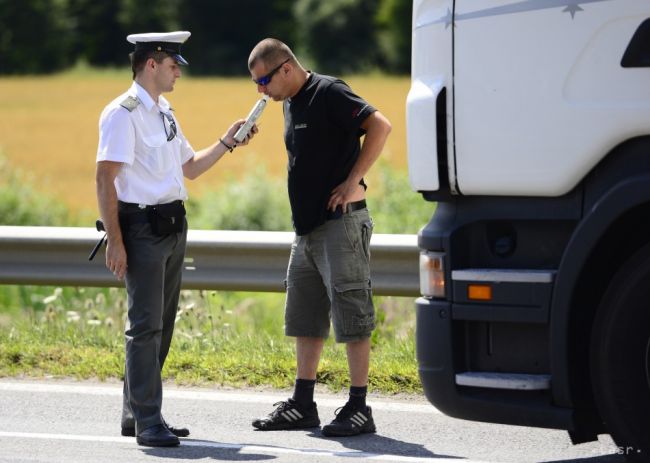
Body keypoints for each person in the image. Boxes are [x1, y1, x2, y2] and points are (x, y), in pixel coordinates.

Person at [95, 31, 256, 447]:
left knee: (160, 327)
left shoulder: (165, 111)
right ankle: (149, 421)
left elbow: (191, 167)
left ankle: (138, 413)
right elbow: (105, 178)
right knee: (145, 327)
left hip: (172, 226)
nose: (177, 74)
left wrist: (227, 141)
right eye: (172, 66)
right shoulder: (122, 113)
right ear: (152, 63)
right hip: (143, 229)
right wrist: (115, 240)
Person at [247, 38, 392, 437]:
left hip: (341, 224)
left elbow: (380, 125)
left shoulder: (328, 91)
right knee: (305, 318)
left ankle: (360, 407)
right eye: (257, 84)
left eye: (263, 80)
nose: (261, 90)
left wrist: (350, 182)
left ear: (286, 69)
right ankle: (302, 403)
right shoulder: (290, 103)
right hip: (307, 229)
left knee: (352, 315)